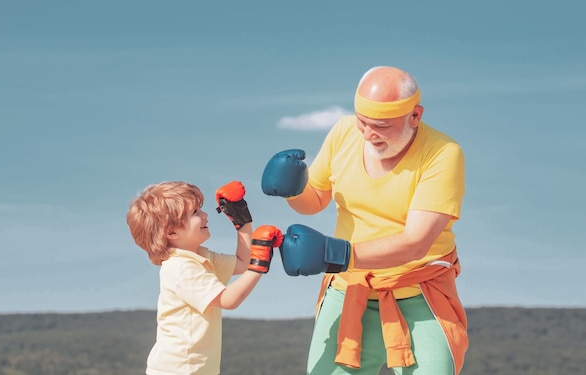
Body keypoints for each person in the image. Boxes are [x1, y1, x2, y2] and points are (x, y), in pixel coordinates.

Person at [261, 66, 468, 375]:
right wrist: (293, 190)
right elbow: (315, 199)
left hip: (420, 297)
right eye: (362, 122)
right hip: (349, 291)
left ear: (415, 116)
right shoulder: (344, 132)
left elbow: (416, 242)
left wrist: (337, 254)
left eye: (381, 126)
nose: (368, 134)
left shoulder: (443, 154)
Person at [126, 180, 282, 375]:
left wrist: (242, 222)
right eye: (195, 213)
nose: (205, 215)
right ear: (171, 232)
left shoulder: (202, 258)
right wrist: (259, 264)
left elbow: (243, 263)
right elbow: (228, 299)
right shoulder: (181, 268)